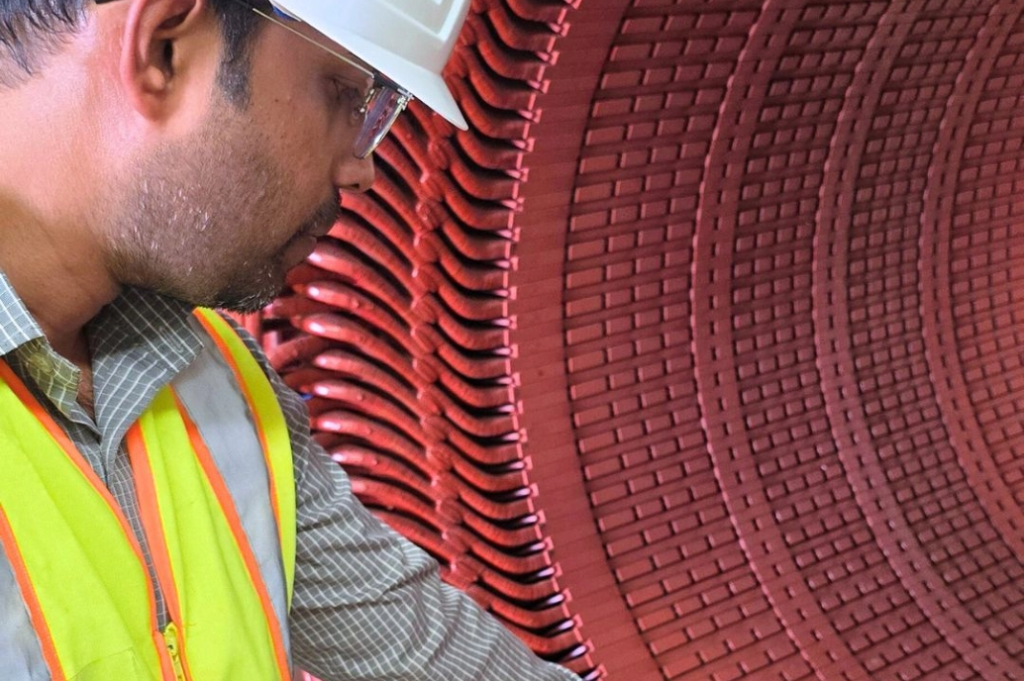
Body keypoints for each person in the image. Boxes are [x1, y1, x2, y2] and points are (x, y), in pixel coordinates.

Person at [0, 0, 579, 679]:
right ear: (163, 48)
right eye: (344, 94)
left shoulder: (216, 387)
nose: (361, 170)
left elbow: (437, 658)